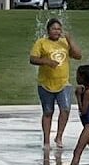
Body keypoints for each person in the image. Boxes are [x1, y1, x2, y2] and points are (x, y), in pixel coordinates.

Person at [29, 18, 82, 149]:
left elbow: (78, 55)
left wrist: (70, 40)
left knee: (65, 109)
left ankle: (59, 136)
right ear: (48, 30)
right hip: (45, 83)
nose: (56, 31)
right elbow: (32, 59)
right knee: (48, 112)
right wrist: (46, 62)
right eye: (54, 29)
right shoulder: (41, 42)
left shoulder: (64, 42)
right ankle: (46, 141)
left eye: (59, 29)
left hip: (63, 83)